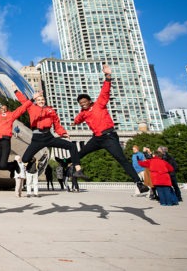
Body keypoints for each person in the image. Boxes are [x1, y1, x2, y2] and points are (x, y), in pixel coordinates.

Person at [74, 65, 149, 195]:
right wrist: (73, 122)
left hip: (109, 137)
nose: (83, 104)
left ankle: (138, 183)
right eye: (81, 103)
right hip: (97, 139)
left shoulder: (99, 104)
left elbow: (105, 91)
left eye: (84, 101)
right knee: (80, 153)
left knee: (122, 160)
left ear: (89, 101)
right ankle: (67, 163)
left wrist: (108, 76)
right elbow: (77, 120)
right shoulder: (83, 113)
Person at [14, 90, 85, 179]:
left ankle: (78, 170)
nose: (41, 101)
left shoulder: (51, 110)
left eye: (42, 99)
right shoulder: (31, 107)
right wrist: (16, 91)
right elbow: (23, 101)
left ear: (45, 100)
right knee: (25, 159)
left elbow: (56, 123)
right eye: (38, 100)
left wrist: (63, 133)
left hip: (49, 137)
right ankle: (22, 171)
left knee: (72, 146)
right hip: (37, 138)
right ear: (36, 101)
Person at [0, 91, 36, 176]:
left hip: (5, 140)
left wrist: (32, 99)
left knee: (3, 165)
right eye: (2, 108)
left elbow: (22, 108)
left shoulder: (11, 115)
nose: (3, 109)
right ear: (0, 109)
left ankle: (14, 165)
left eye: (5, 108)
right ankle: (12, 167)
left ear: (7, 110)